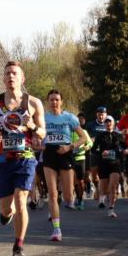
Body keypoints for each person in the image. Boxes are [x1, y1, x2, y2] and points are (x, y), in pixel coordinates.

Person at [0, 61, 45, 256]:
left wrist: (33, 126)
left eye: (14, 73)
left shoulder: (33, 103)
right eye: (7, 73)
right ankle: (6, 214)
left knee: (21, 200)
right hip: (3, 159)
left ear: (22, 78)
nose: (11, 76)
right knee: (7, 208)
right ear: (3, 78)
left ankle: (18, 246)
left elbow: (43, 132)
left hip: (25, 157)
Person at [42, 90, 90, 241]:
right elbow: (38, 137)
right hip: (49, 154)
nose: (54, 102)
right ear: (47, 102)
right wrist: (38, 144)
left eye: (57, 99)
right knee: (52, 193)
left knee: (69, 196)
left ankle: (66, 198)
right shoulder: (43, 118)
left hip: (65, 153)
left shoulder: (69, 117)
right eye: (51, 100)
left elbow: (83, 138)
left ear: (61, 101)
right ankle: (57, 230)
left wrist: (70, 147)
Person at [91, 117, 127, 218]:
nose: (108, 123)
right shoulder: (100, 136)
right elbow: (93, 150)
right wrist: (101, 153)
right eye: (106, 122)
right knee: (104, 189)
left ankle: (111, 208)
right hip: (103, 164)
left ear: (113, 123)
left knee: (113, 187)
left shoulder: (118, 136)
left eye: (109, 121)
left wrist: (125, 151)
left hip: (115, 163)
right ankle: (102, 196)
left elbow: (125, 147)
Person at [86, 107, 111, 205]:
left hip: (106, 153)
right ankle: (97, 188)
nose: (101, 116)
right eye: (99, 114)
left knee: (105, 175)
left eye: (103, 114)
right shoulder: (90, 125)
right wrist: (89, 140)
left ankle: (104, 194)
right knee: (94, 175)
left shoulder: (108, 124)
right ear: (96, 115)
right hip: (94, 152)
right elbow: (84, 136)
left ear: (105, 115)